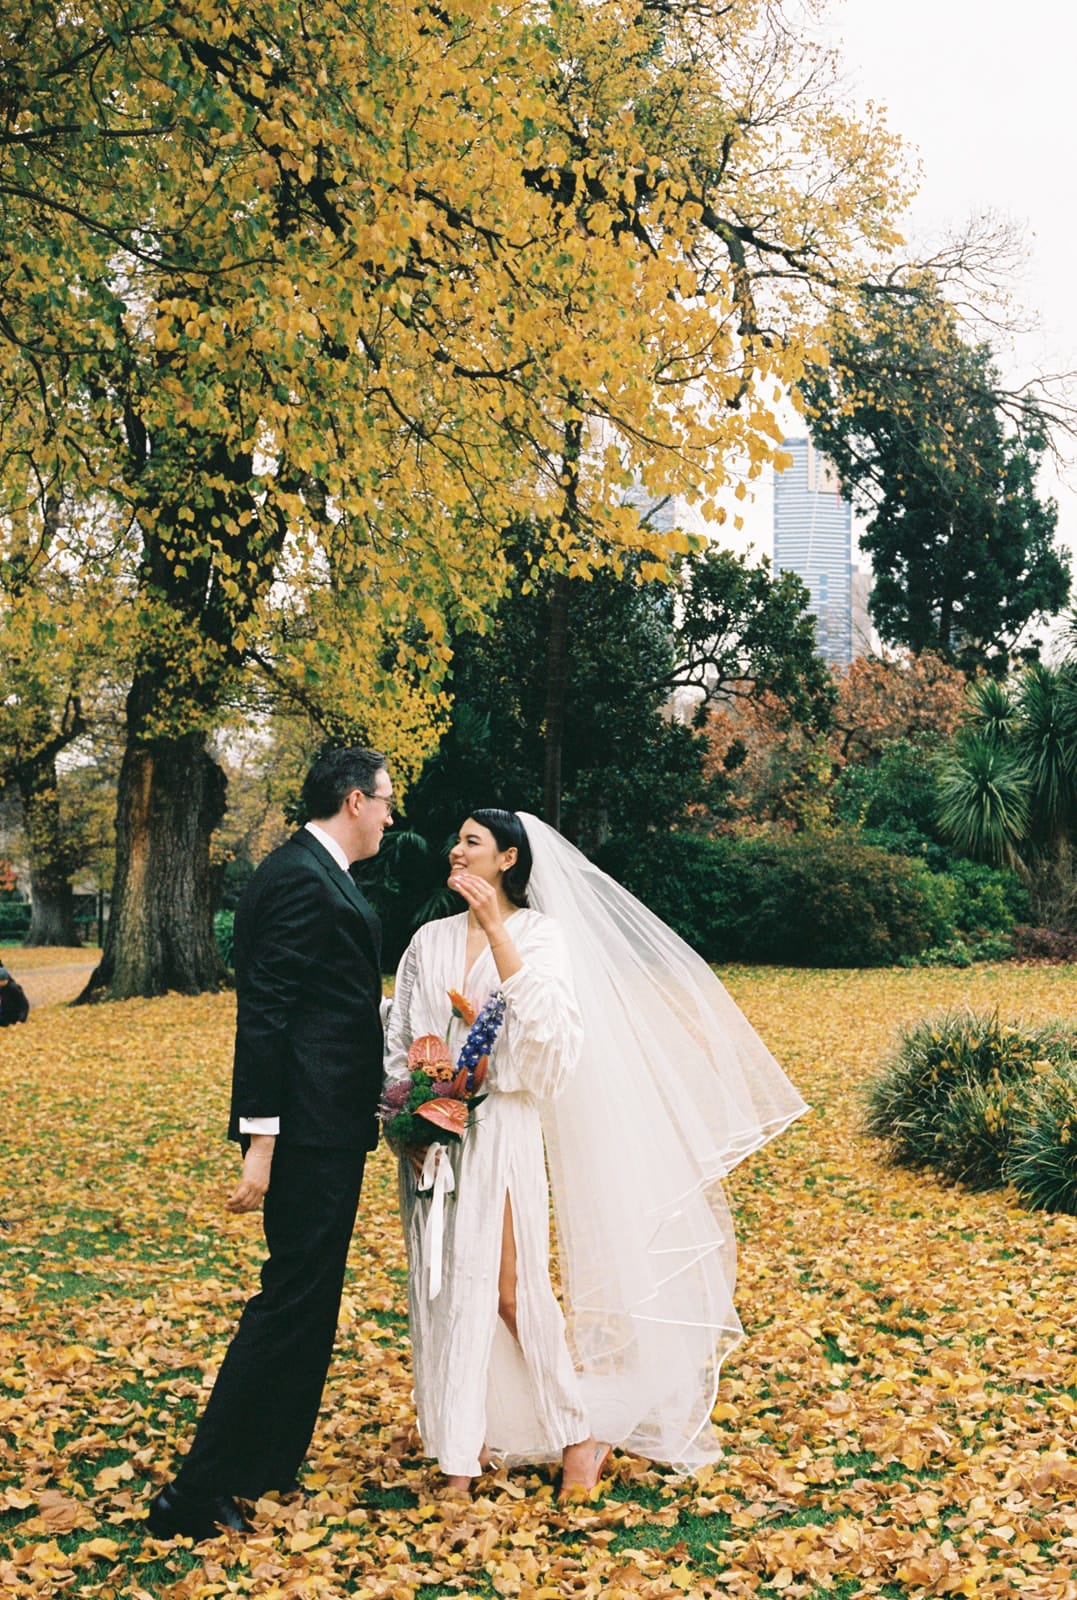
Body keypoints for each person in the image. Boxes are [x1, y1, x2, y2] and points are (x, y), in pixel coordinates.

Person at [383, 810, 807, 1500]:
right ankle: (460, 1453)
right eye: (455, 840)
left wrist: (495, 931)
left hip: (502, 1128)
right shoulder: (427, 941)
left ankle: (577, 1434)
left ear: (507, 859)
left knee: (509, 1292)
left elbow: (552, 1039)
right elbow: (401, 1036)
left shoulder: (539, 936)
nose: (454, 851)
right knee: (440, 1289)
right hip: (432, 1137)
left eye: (471, 842)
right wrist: (407, 1118)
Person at [146, 747, 393, 1542]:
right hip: (305, 1130)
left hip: (331, 1122)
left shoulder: (317, 872)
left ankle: (263, 1464)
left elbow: (327, 1001)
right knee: (289, 1300)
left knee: (309, 1301)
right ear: (353, 801)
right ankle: (192, 1494)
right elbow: (265, 1013)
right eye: (385, 801)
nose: (390, 816)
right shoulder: (297, 878)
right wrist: (261, 1140)